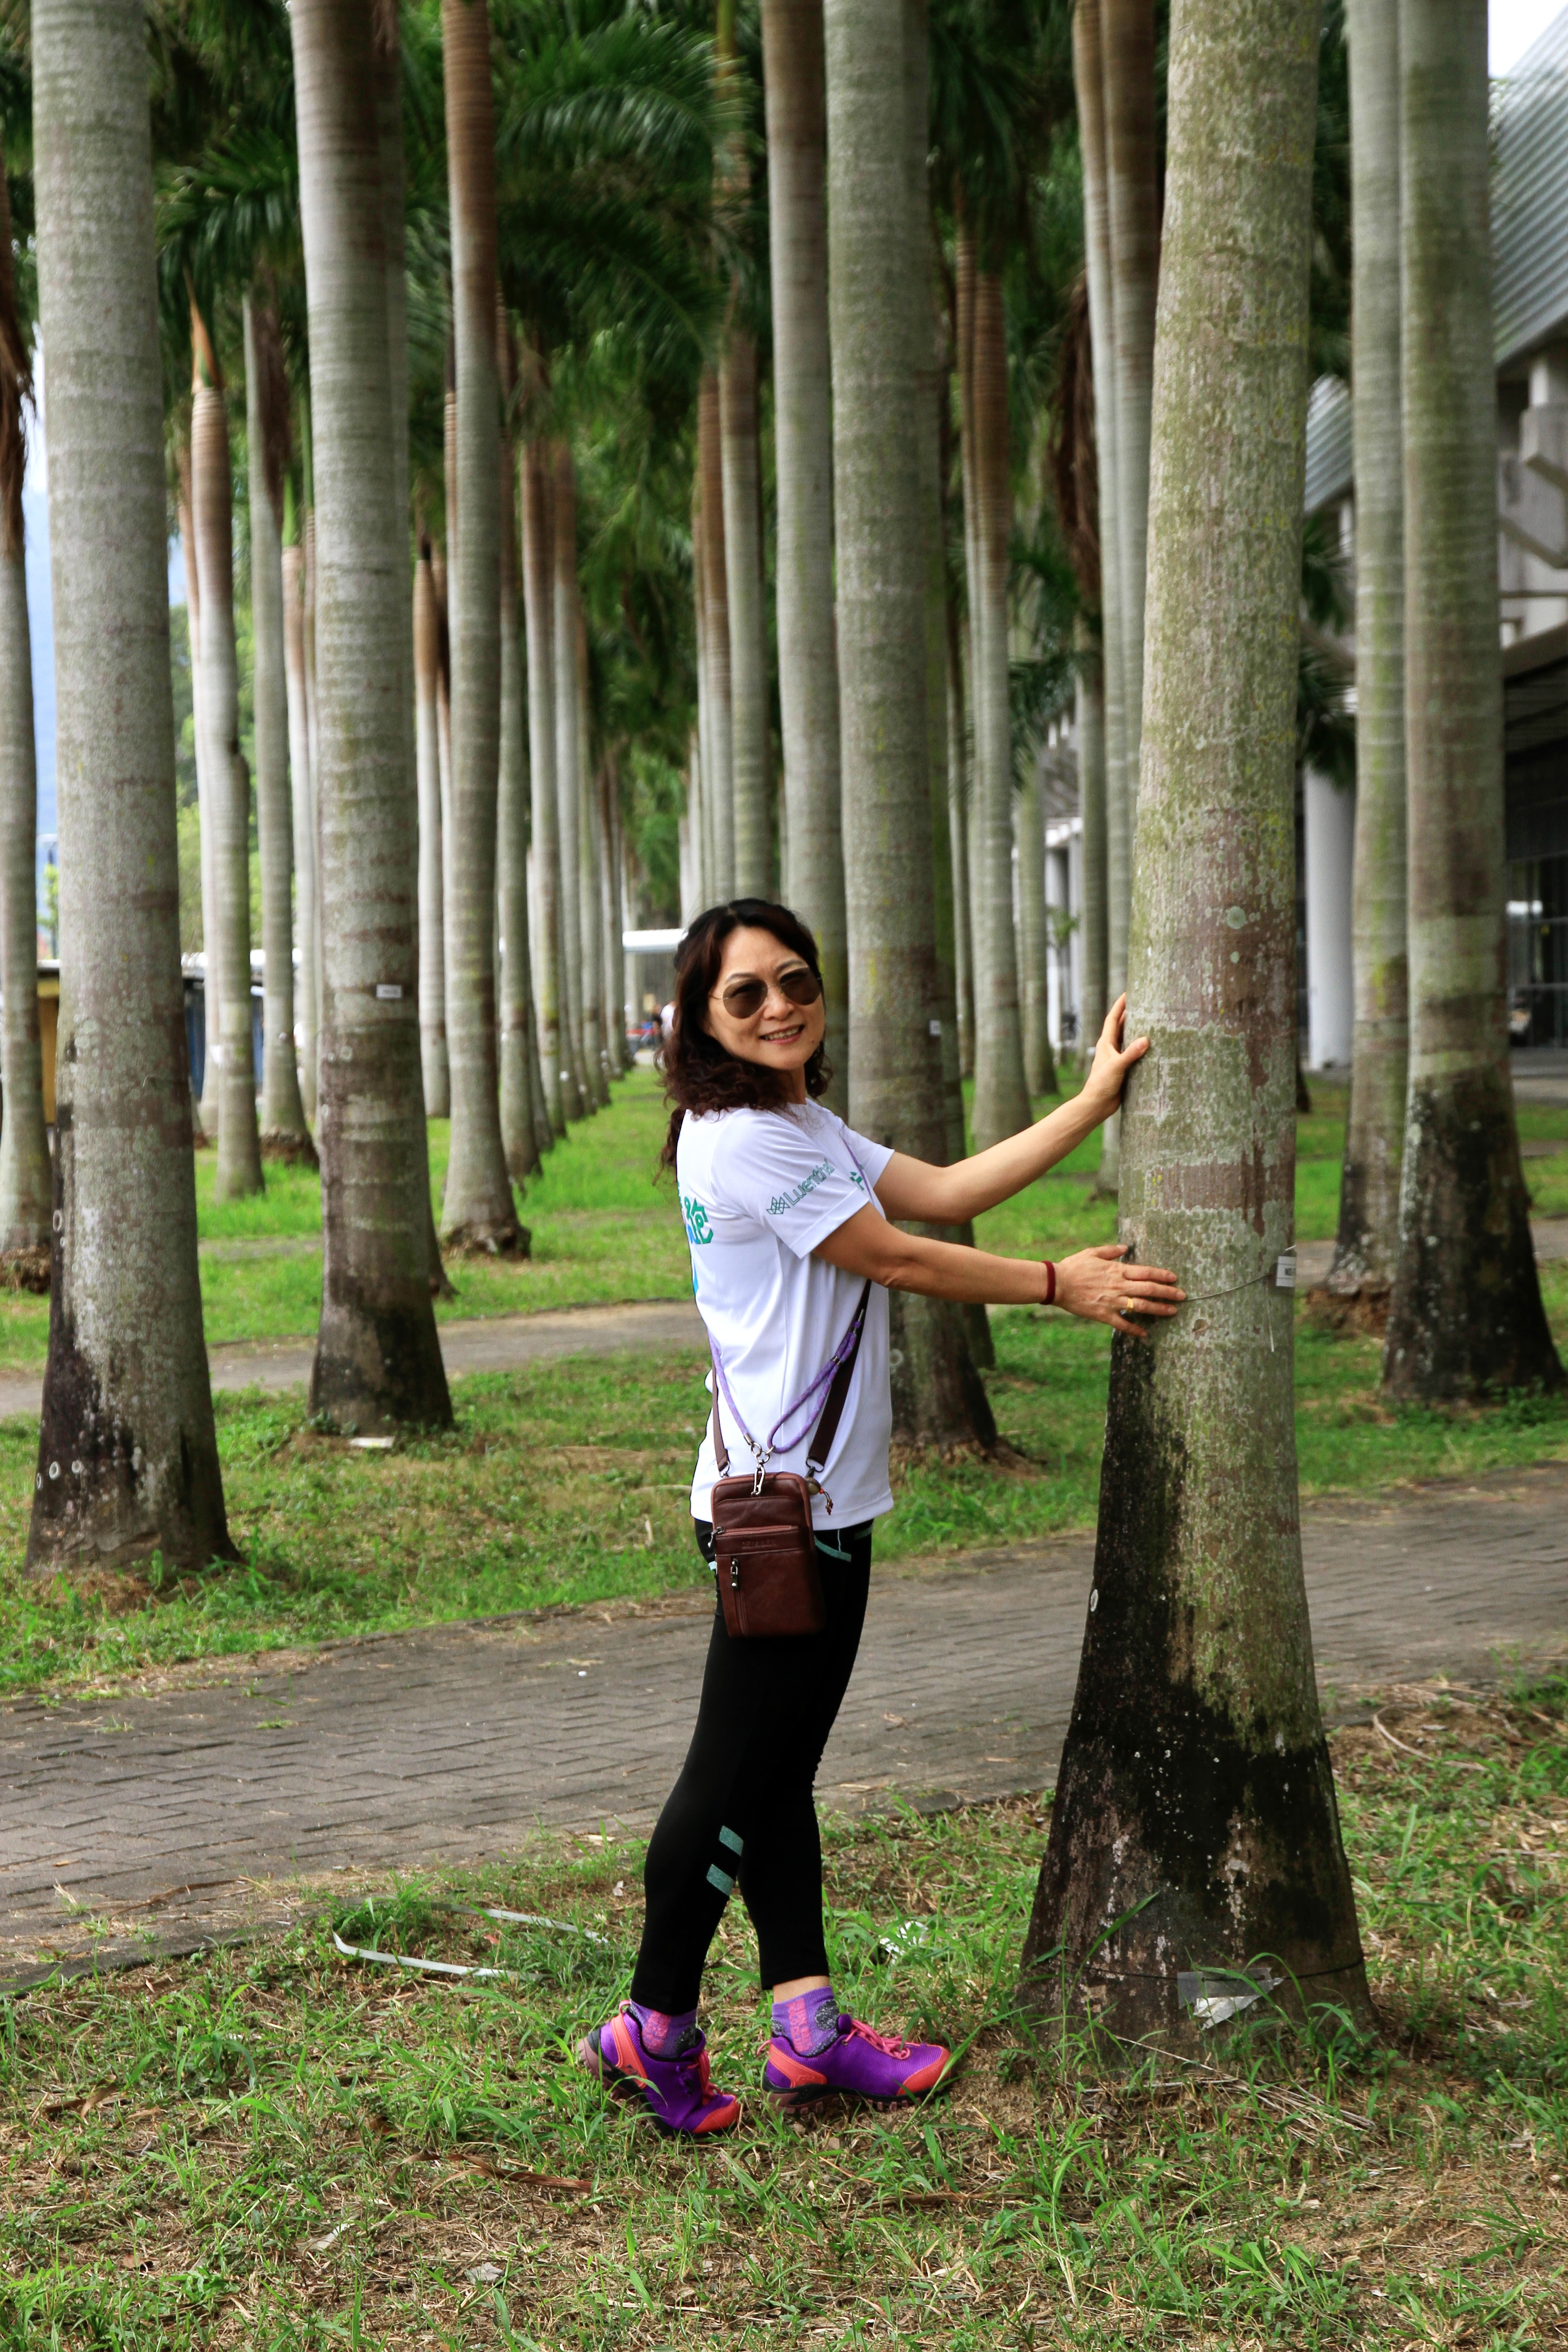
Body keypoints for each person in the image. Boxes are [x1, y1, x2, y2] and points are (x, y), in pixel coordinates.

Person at [578, 899, 1184, 2135]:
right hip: (783, 1522)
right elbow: (895, 1255)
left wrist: (1091, 1103)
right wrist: (1057, 1284)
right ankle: (652, 2026)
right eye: (745, 993)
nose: (780, 1006)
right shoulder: (746, 1140)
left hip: (811, 1504)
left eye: (795, 981)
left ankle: (806, 2033)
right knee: (728, 1783)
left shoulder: (794, 1121)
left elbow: (944, 1190)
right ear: (699, 1018)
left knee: (776, 1776)